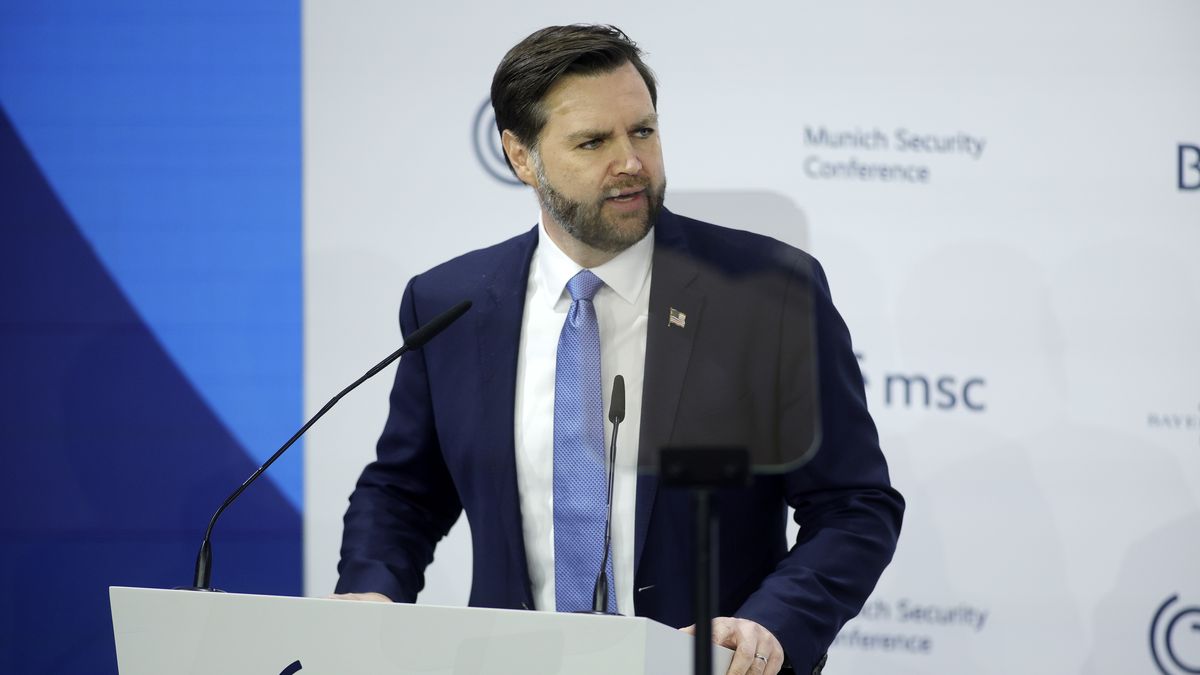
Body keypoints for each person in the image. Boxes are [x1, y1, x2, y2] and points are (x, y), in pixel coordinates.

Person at [333, 24, 903, 675]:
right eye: (593, 141)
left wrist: (769, 622)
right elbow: (404, 491)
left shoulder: (767, 293)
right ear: (521, 157)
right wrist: (372, 591)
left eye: (643, 131)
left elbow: (855, 506)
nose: (630, 161)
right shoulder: (451, 304)